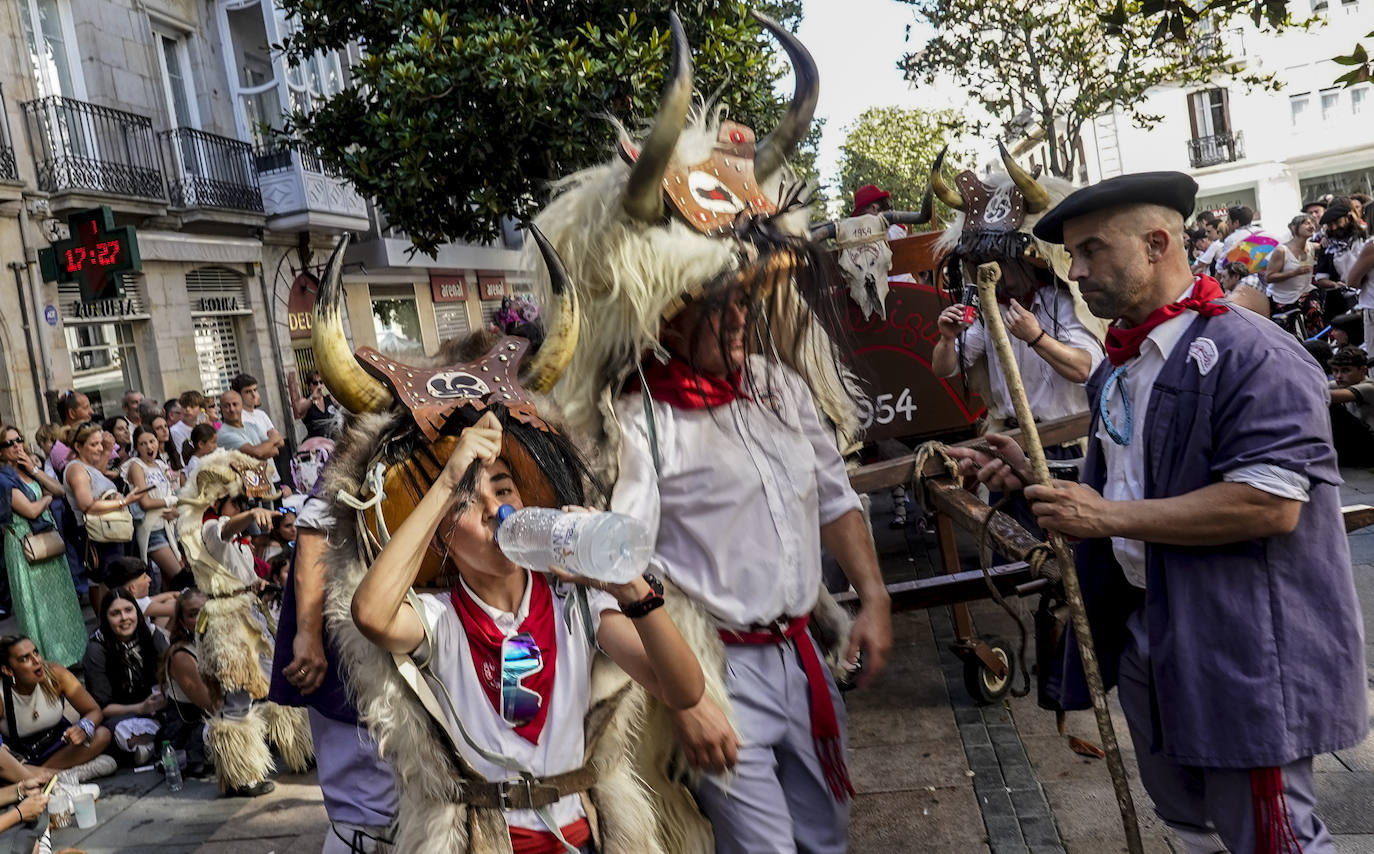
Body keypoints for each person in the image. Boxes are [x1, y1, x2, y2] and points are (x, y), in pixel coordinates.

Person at [953, 170, 1366, 854]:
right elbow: (1133, 483)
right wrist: (1034, 479)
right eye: (1072, 257)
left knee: (1270, 838)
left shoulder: (1253, 353)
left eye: (1092, 251)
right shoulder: (1123, 364)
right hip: (1154, 633)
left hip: (1242, 648)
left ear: (1155, 242)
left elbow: (1268, 505)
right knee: (1188, 824)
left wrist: (1106, 519)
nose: (1077, 271)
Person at [351, 407, 707, 853]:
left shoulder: (576, 603)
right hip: (490, 841)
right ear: (440, 537)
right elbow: (370, 614)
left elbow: (685, 689)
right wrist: (446, 482)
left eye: (504, 489)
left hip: (581, 837)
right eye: (465, 502)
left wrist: (631, 586)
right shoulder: (439, 620)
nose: (493, 510)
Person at [175, 450, 312, 797]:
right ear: (223, 503)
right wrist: (251, 513)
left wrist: (257, 583)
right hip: (226, 624)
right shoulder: (209, 530)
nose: (244, 509)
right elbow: (223, 530)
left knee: (276, 680)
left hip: (250, 614)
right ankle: (241, 775)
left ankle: (296, 748)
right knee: (238, 696)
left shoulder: (239, 541)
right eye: (238, 503)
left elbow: (237, 553)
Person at [0, 426, 86, 668]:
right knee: (36, 605)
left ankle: (71, 654)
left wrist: (35, 470)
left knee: (60, 600)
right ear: (0, 452)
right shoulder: (3, 479)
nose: (17, 446)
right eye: (9, 444)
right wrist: (46, 498)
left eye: (19, 440)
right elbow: (30, 510)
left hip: (48, 540)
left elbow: (61, 490)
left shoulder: (29, 469)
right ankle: (47, 662)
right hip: (24, 545)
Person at [62, 422, 149, 614]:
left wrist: (108, 450)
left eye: (100, 443)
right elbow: (86, 505)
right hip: (96, 534)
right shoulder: (76, 469)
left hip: (108, 531)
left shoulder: (86, 466)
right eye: (94, 445)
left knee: (108, 581)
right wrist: (123, 502)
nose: (99, 448)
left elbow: (98, 475)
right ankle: (109, 624)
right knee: (107, 581)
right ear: (78, 446)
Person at [0, 635, 116, 779]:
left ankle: (45, 776)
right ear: (7, 670)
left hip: (60, 747)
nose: (37, 660)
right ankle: (68, 774)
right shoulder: (2, 694)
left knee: (103, 735)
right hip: (22, 757)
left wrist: (83, 728)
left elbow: (94, 710)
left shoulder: (55, 674)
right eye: (25, 658)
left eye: (36, 652)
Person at [80, 589, 170, 765]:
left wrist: (164, 695)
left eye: (129, 610)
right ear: (105, 618)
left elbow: (172, 676)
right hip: (123, 714)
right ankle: (158, 743)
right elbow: (101, 708)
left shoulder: (151, 634)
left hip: (159, 706)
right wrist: (141, 708)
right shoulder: (96, 650)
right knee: (123, 732)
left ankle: (153, 745)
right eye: (115, 613)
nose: (124, 618)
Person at [125, 426, 186, 592]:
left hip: (169, 528)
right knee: (181, 577)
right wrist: (169, 501)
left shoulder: (160, 465)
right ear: (137, 447)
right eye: (142, 443)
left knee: (170, 584)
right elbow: (145, 502)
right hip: (152, 530)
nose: (148, 447)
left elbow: (170, 492)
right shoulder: (136, 466)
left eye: (152, 441)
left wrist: (174, 508)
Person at [160, 588, 213, 778]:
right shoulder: (181, 655)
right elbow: (211, 704)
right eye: (192, 614)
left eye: (205, 609)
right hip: (192, 732)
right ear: (182, 621)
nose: (201, 617)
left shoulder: (216, 642)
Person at [1317, 201, 1374, 348]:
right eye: (1330, 225)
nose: (1334, 228)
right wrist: (1336, 284)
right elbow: (1322, 278)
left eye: (1337, 222)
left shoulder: (1366, 238)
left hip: (1366, 297)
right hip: (1344, 300)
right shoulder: (1327, 246)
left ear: (1348, 218)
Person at [216, 391, 288, 494]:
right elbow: (257, 452)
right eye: (227, 406)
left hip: (265, 485)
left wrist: (260, 452)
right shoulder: (224, 434)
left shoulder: (251, 426)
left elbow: (277, 448)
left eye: (235, 404)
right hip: (245, 493)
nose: (231, 409)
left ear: (241, 406)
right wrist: (272, 439)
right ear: (221, 409)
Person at [1266, 213, 1323, 332]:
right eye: (1307, 223)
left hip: (1305, 292)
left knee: (1315, 315)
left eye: (1312, 223)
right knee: (1290, 333)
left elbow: (1326, 243)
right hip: (1282, 298)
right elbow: (1269, 277)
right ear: (1294, 227)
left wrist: (1327, 241)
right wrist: (1294, 273)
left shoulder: (1312, 247)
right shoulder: (1281, 251)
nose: (1312, 226)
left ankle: (1318, 347)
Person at [1325, 345, 1374, 467]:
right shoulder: (1339, 384)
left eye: (1346, 370)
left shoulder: (1369, 387)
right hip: (1354, 442)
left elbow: (1326, 396)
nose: (1339, 376)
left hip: (1369, 445)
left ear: (1363, 370)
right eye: (1335, 371)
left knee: (1330, 407)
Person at [292, 372, 341, 440]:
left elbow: (343, 406)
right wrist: (312, 398)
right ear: (309, 386)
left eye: (321, 382)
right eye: (315, 383)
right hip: (316, 443)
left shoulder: (330, 399)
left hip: (334, 441)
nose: (319, 385)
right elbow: (299, 410)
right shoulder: (306, 400)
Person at [169, 391, 205, 456]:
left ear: (200, 409)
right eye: (184, 406)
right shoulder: (175, 431)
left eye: (192, 406)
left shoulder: (202, 426)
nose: (188, 409)